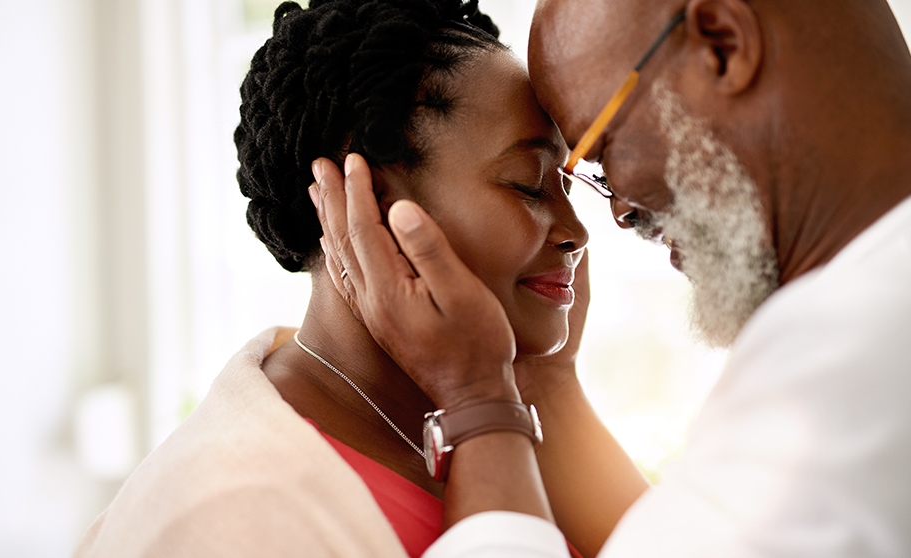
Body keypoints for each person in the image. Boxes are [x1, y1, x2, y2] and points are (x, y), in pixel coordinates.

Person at [310, 0, 911, 556]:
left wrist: (478, 400)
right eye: (529, 183)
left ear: (723, 47)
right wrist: (540, 380)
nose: (615, 214)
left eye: (602, 150)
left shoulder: (853, 357)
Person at [72, 0, 611, 556]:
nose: (577, 231)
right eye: (528, 184)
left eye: (568, 188)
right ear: (369, 208)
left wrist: (527, 384)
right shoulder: (240, 514)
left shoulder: (487, 420)